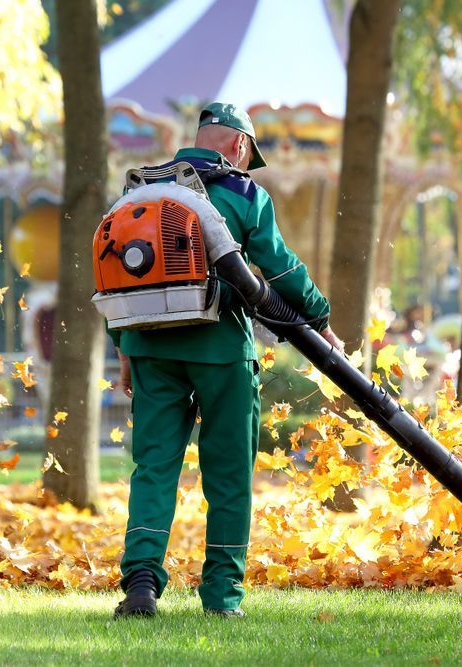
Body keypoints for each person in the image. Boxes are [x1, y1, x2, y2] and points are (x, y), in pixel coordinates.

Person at [106, 102, 343, 619]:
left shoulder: (138, 192)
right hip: (220, 352)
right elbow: (278, 271)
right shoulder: (242, 192)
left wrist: (123, 348)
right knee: (229, 474)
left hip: (148, 347)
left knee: (154, 468)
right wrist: (320, 319)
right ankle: (221, 597)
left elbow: (118, 273)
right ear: (239, 145)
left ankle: (141, 582)